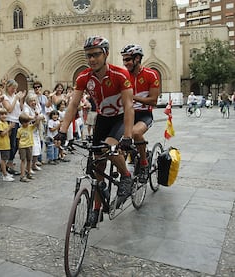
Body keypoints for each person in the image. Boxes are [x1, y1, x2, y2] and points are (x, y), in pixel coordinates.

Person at [54, 35, 135, 226]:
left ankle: (126, 176)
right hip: (102, 119)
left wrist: (128, 137)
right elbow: (73, 104)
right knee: (98, 166)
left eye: (96, 55)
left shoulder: (120, 75)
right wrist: (62, 131)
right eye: (88, 56)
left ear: (105, 54)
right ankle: (96, 209)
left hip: (120, 118)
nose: (92, 59)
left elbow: (129, 106)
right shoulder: (84, 78)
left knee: (108, 148)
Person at [121, 44, 160, 184]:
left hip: (144, 114)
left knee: (136, 133)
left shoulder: (151, 74)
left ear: (137, 58)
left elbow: (154, 101)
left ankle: (144, 163)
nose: (125, 63)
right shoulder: (124, 75)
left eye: (128, 60)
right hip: (128, 113)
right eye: (124, 60)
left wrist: (133, 97)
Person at [1, 79, 26, 175]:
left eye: (15, 88)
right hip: (10, 121)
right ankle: (8, 163)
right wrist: (16, 98)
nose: (14, 90)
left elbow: (21, 108)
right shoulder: (5, 97)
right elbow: (9, 109)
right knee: (12, 144)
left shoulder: (14, 96)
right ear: (8, 87)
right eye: (12, 88)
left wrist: (21, 99)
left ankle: (10, 162)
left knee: (17, 144)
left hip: (17, 121)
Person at [17, 112, 41, 182]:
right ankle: (22, 175)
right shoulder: (19, 130)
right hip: (22, 146)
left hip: (29, 145)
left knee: (29, 160)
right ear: (22, 123)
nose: (27, 123)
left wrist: (37, 117)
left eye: (28, 122)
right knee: (23, 160)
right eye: (25, 122)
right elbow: (18, 139)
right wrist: (19, 148)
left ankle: (29, 173)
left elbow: (36, 123)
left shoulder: (30, 127)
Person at [0, 108, 15, 182]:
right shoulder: (0, 124)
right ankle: (4, 175)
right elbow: (2, 134)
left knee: (5, 159)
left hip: (7, 143)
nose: (4, 116)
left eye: (5, 114)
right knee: (3, 160)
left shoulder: (6, 123)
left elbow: (8, 134)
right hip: (2, 145)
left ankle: (5, 173)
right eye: (2, 114)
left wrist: (10, 129)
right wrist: (9, 128)